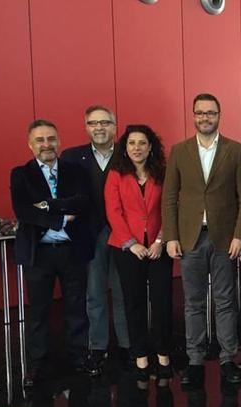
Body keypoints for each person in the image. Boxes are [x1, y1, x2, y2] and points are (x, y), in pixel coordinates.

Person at [162, 93, 241, 386]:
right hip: (190, 239)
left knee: (226, 301)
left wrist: (240, 235)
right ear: (193, 116)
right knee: (193, 303)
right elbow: (169, 199)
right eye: (200, 113)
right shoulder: (179, 151)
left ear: (219, 115)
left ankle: (228, 358)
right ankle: (195, 360)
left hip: (225, 239)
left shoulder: (235, 150)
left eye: (210, 113)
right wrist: (171, 237)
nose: (205, 118)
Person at [10, 119, 93, 387]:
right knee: (39, 312)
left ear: (59, 141)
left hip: (72, 250)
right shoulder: (20, 174)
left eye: (51, 139)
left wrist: (47, 205)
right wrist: (60, 218)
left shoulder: (75, 170)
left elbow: (83, 202)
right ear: (30, 145)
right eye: (40, 140)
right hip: (40, 253)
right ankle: (39, 364)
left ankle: (79, 357)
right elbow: (24, 211)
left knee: (76, 307)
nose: (47, 144)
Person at [61, 105, 129, 376]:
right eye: (93, 123)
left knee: (125, 292)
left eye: (105, 122)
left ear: (115, 126)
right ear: (86, 126)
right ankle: (97, 348)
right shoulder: (71, 157)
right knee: (94, 295)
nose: (99, 127)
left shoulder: (128, 153)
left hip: (124, 234)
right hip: (88, 236)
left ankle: (128, 346)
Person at [104, 124, 173, 380]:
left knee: (163, 302)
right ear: (125, 147)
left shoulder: (163, 173)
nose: (137, 148)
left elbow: (170, 207)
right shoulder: (116, 174)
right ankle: (141, 357)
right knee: (133, 303)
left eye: (142, 143)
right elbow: (113, 212)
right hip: (126, 249)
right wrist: (131, 243)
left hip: (158, 248)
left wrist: (160, 240)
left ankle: (163, 354)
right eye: (132, 143)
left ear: (150, 146)